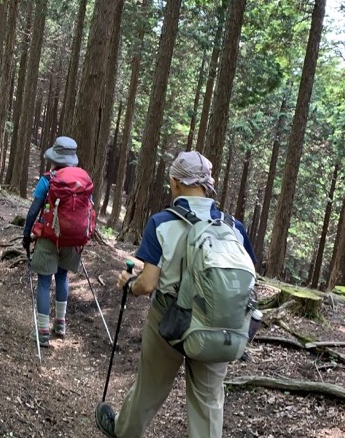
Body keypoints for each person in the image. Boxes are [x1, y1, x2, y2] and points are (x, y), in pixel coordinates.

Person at [95, 150, 256, 438]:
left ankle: (123, 431)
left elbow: (146, 284)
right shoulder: (235, 228)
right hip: (220, 321)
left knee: (151, 385)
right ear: (207, 184)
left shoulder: (162, 222)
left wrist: (128, 284)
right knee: (208, 401)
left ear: (176, 183)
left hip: (169, 319)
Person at [22, 136, 87, 347]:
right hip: (72, 239)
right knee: (62, 276)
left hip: (49, 237)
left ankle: (42, 331)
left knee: (43, 281)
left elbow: (34, 209)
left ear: (54, 157)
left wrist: (26, 234)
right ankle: (60, 323)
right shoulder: (82, 182)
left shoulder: (48, 179)